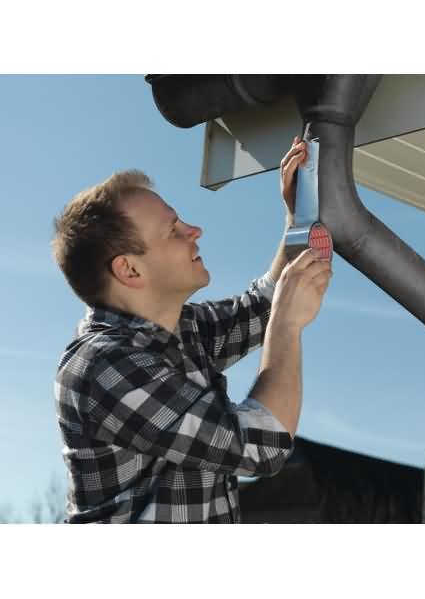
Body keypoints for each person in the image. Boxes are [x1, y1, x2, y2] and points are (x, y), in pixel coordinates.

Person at [52, 136, 332, 523]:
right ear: (130, 270)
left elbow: (262, 307)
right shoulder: (103, 366)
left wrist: (297, 219)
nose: (195, 230)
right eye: (173, 230)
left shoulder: (180, 329)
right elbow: (262, 445)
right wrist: (287, 326)